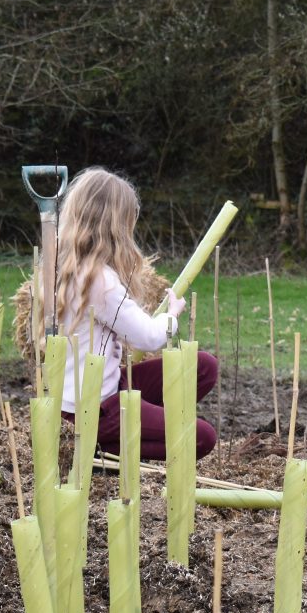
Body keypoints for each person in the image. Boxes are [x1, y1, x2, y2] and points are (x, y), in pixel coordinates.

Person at [53, 167, 217, 460]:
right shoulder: (98, 281)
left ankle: (142, 426)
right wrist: (173, 315)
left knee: (202, 366)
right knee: (202, 437)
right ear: (116, 225)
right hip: (97, 408)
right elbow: (149, 338)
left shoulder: (65, 266)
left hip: (103, 387)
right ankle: (104, 448)